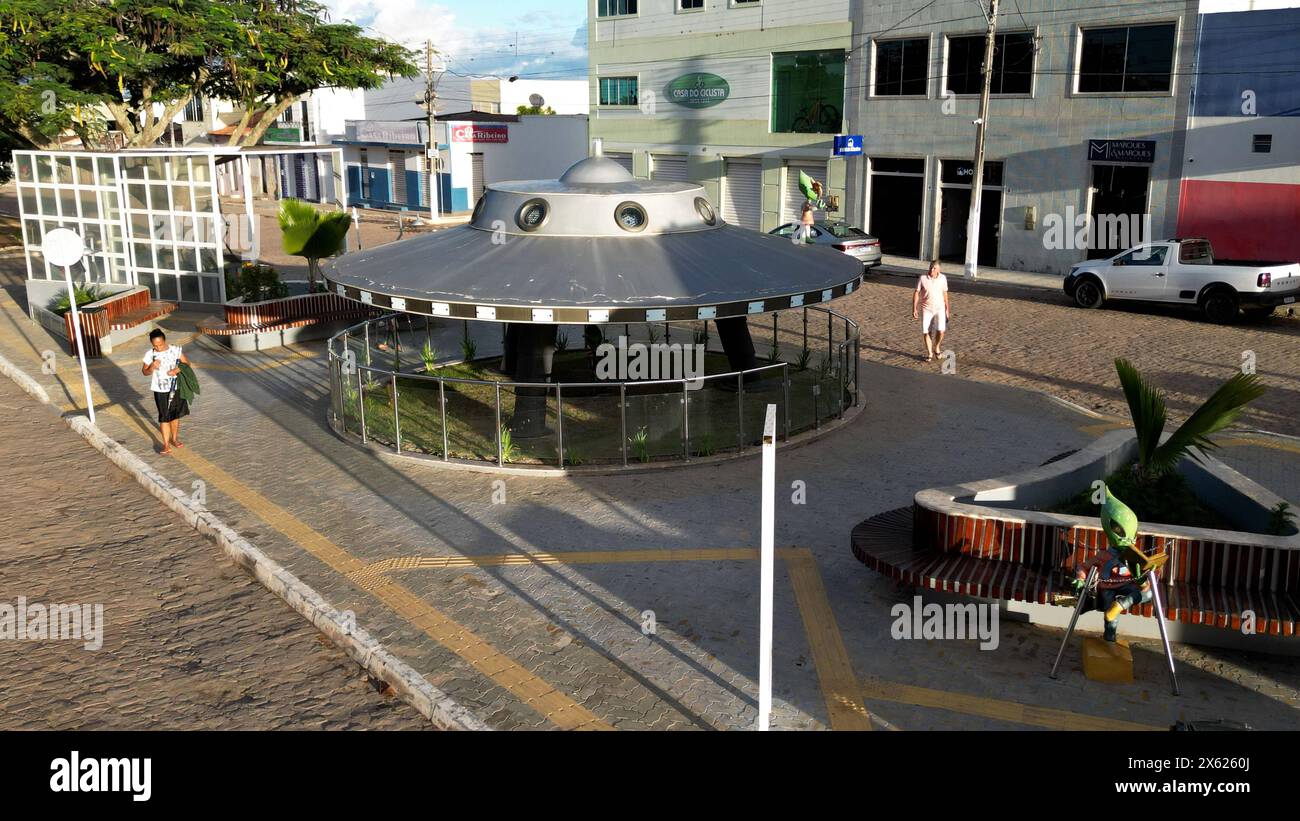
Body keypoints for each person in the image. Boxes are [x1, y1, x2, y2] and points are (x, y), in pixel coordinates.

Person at [141, 329, 191, 455]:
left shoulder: (175, 350)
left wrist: (176, 370)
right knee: (164, 417)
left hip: (176, 387)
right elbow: (144, 372)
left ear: (164, 340)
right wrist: (152, 367)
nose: (158, 347)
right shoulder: (150, 354)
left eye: (160, 344)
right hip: (160, 390)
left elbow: (187, 364)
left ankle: (174, 439)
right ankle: (166, 445)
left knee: (175, 415)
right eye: (155, 345)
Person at [911, 261, 950, 363]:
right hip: (926, 308)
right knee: (926, 331)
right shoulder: (923, 278)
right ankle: (929, 353)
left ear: (938, 270)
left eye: (934, 268)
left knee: (941, 330)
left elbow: (945, 293)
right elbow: (916, 292)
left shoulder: (943, 278)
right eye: (930, 268)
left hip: (940, 308)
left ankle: (936, 347)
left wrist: (947, 309)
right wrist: (914, 308)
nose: (931, 270)